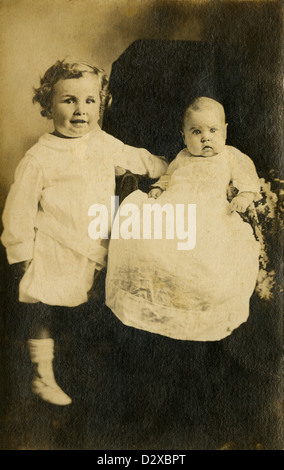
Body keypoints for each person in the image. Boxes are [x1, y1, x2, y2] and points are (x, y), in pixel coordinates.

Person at [1, 59, 168, 406]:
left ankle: (83, 372)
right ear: (48, 106)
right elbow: (18, 210)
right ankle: (42, 372)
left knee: (81, 313)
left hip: (93, 246)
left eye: (90, 101)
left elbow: (139, 158)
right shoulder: (39, 157)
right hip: (53, 247)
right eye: (69, 100)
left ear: (101, 104)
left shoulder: (103, 142)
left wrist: (173, 167)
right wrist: (21, 254)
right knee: (43, 307)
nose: (81, 111)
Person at [105, 97, 261, 342]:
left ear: (225, 131)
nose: (205, 138)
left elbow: (249, 179)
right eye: (196, 132)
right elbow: (169, 177)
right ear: (184, 136)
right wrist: (157, 188)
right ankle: (152, 301)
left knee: (207, 261)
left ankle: (194, 311)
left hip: (209, 215)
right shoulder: (182, 156)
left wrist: (245, 195)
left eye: (212, 130)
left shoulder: (230, 156)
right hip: (175, 210)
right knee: (146, 242)